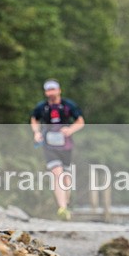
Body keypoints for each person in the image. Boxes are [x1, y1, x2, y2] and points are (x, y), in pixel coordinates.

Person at [30, 78, 85, 220]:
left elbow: (80, 121)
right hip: (49, 145)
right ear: (45, 92)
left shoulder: (68, 106)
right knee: (57, 173)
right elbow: (34, 119)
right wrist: (36, 132)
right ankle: (62, 208)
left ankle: (66, 202)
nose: (51, 92)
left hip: (65, 145)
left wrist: (70, 129)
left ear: (59, 90)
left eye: (53, 89)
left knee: (66, 177)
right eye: (48, 90)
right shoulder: (42, 107)